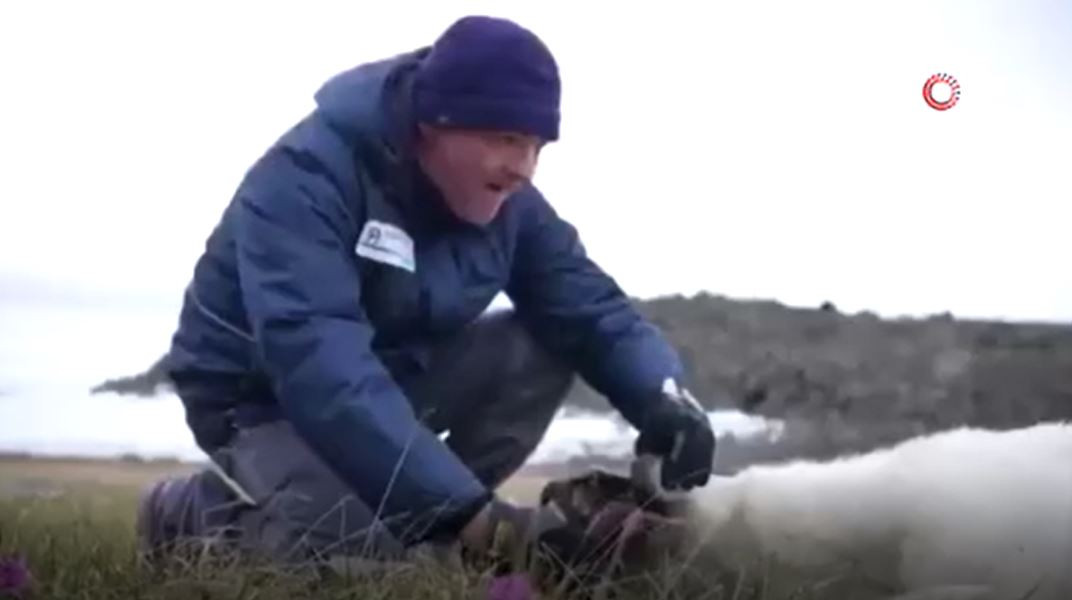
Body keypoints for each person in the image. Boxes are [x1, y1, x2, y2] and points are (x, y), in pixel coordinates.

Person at [136, 14, 716, 568]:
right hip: (260, 398)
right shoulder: (305, 180)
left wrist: (664, 399)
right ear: (433, 123)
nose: (524, 167)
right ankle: (188, 515)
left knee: (541, 344)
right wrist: (478, 521)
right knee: (358, 561)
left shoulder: (510, 206)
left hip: (390, 376)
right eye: (507, 137)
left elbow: (592, 311)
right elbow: (319, 367)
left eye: (538, 146)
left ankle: (437, 524)